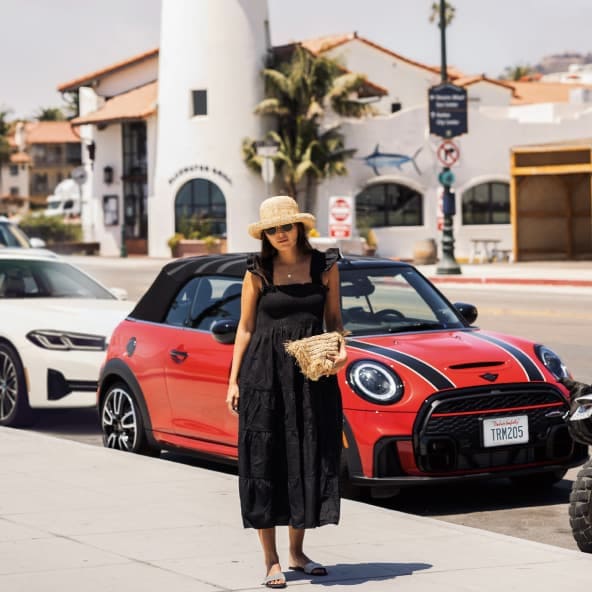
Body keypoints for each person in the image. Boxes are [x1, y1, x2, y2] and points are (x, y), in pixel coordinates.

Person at [226, 195, 347, 589]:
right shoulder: (258, 270)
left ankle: (297, 553)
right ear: (265, 234)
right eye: (272, 229)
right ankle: (271, 560)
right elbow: (245, 328)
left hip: (311, 376)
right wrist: (233, 380)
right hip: (265, 375)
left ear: (300, 228)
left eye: (286, 226)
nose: (280, 234)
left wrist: (339, 350)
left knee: (307, 457)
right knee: (265, 460)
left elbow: (334, 321)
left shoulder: (324, 266)